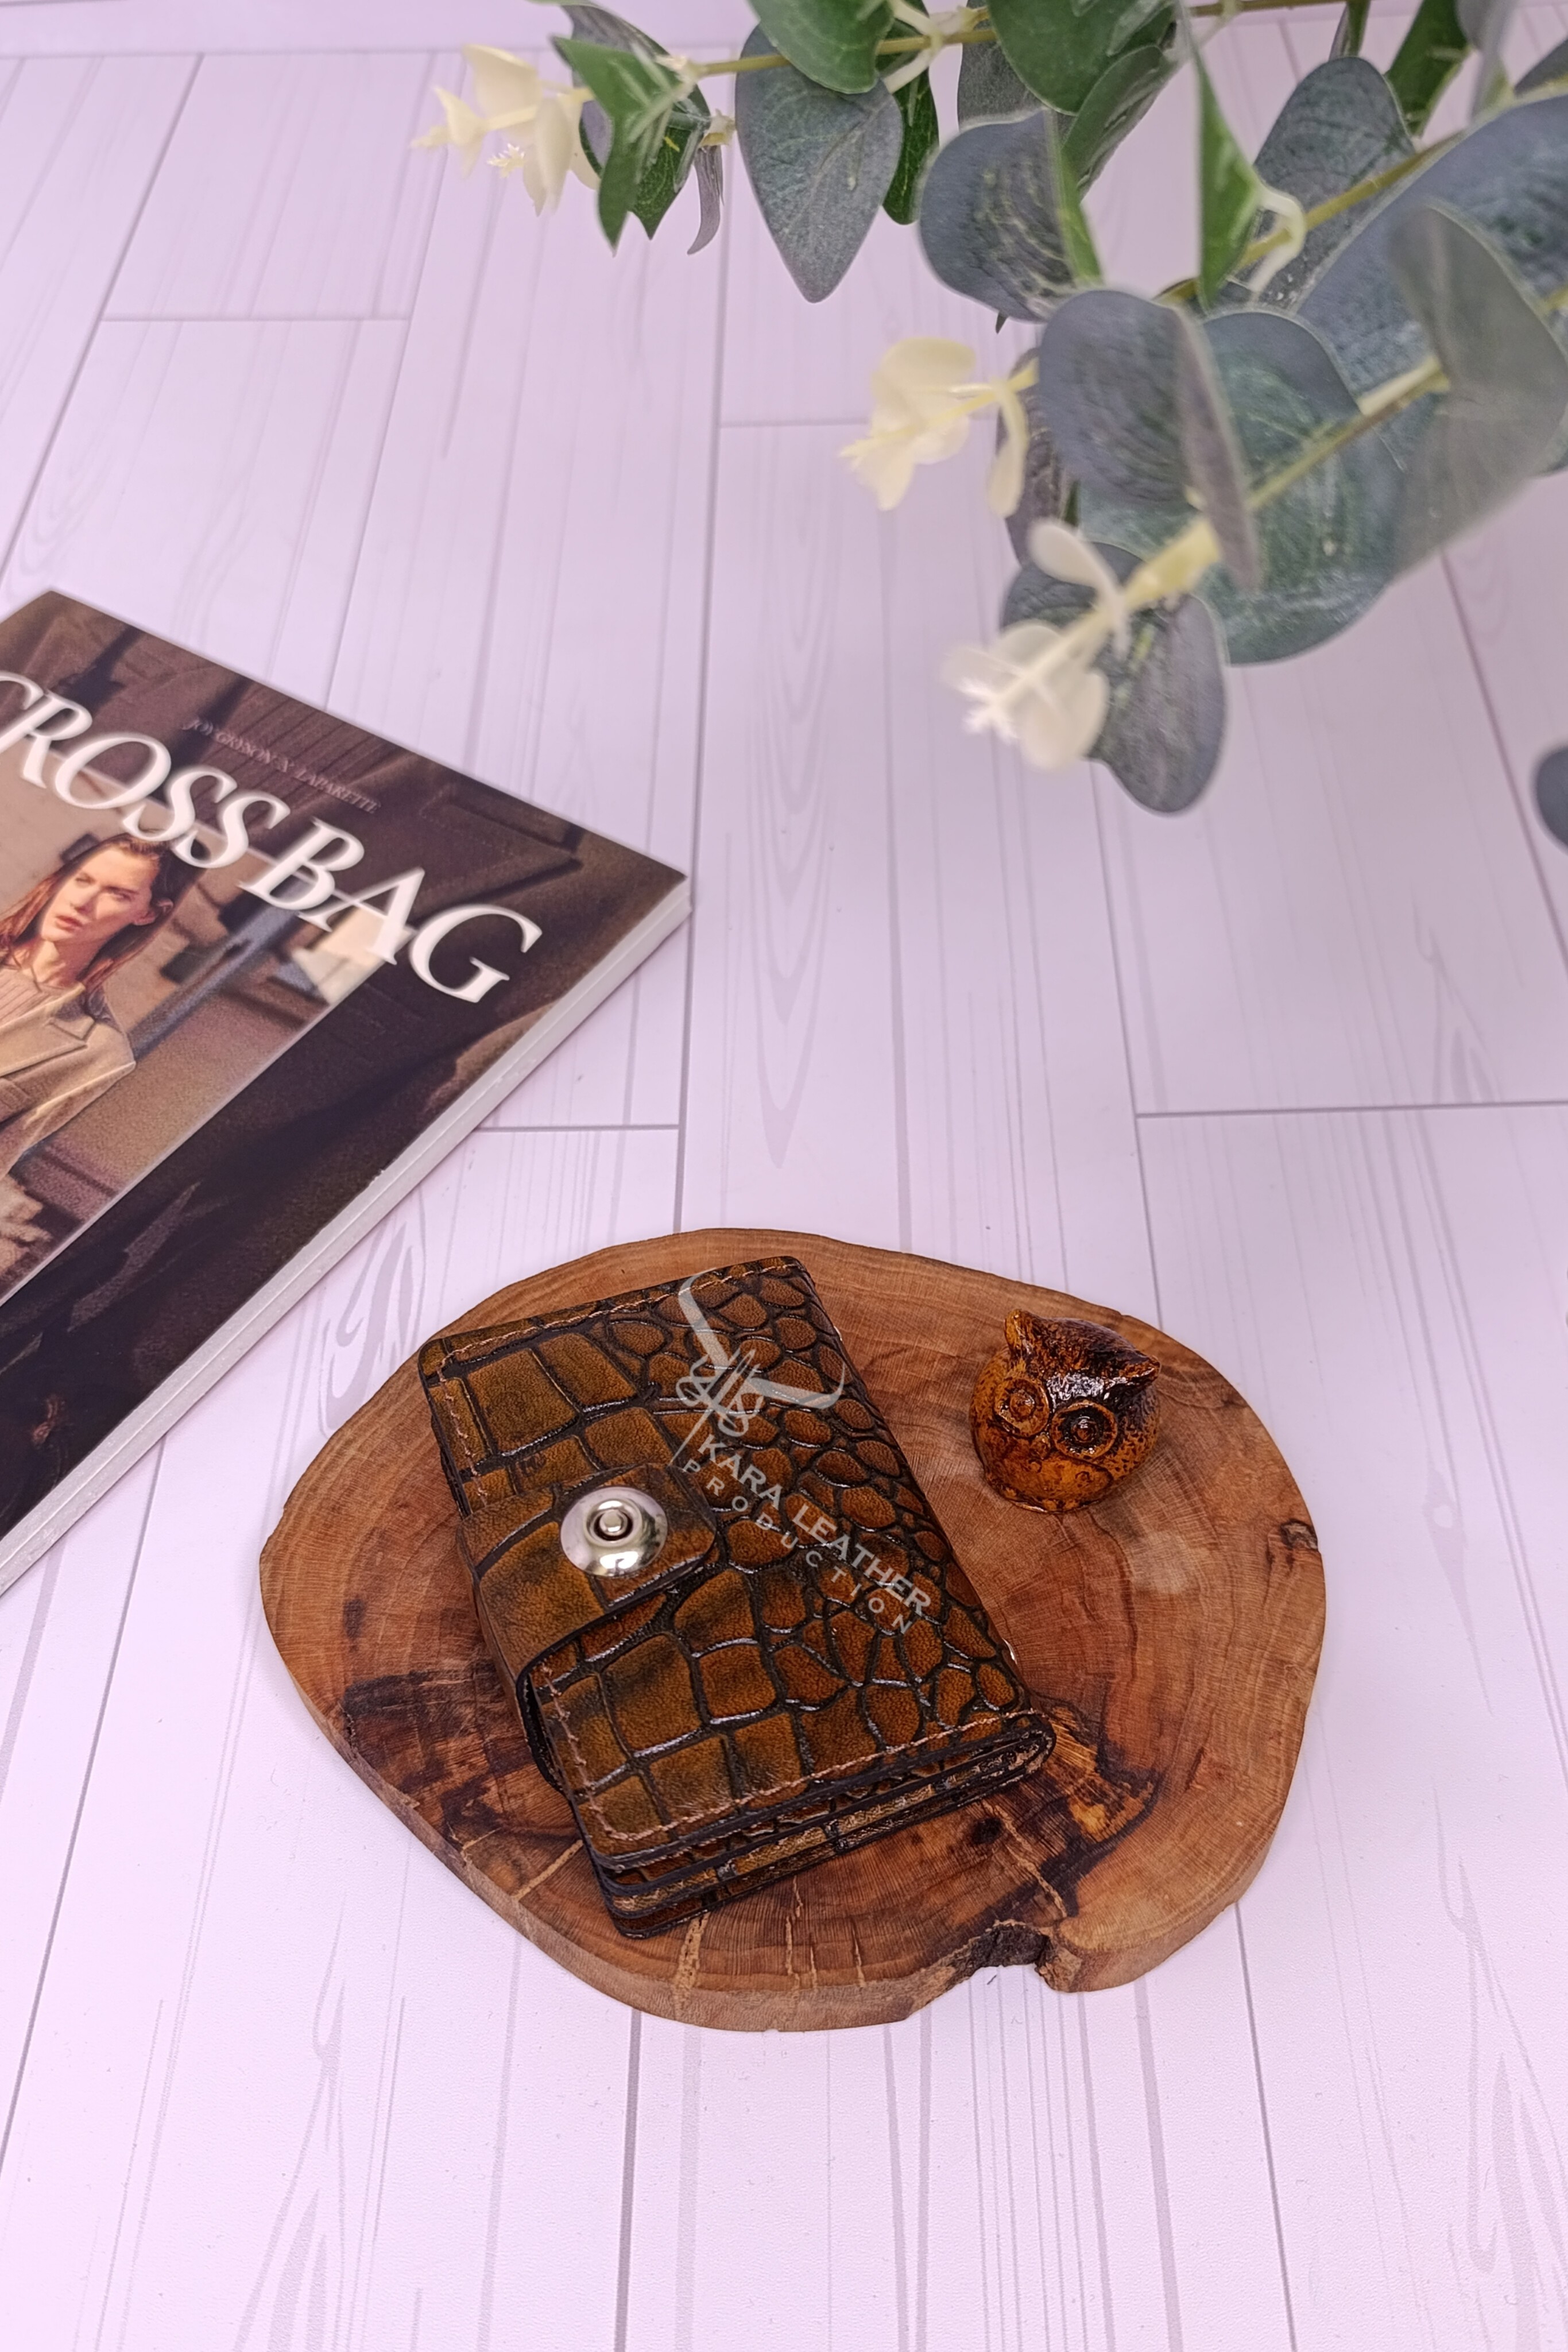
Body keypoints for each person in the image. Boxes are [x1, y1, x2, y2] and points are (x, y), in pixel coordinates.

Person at [0, 834, 184, 1178]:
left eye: (117, 894)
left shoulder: (100, 1055)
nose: (82, 902)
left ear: (147, 913)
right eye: (83, 880)